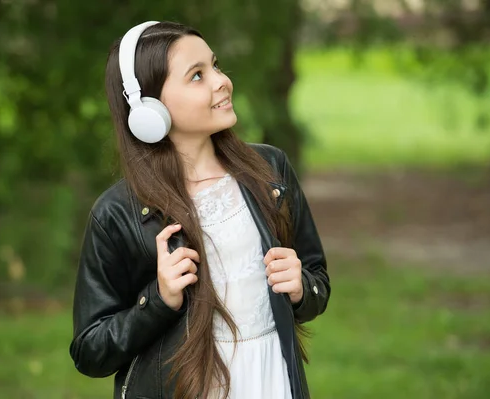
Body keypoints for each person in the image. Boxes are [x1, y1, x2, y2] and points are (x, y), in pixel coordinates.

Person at [69, 20, 330, 399]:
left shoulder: (270, 170)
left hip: (272, 379)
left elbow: (317, 280)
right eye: (197, 76)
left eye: (216, 65)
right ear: (149, 110)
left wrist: (301, 287)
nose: (221, 81)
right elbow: (90, 351)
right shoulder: (116, 213)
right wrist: (159, 300)